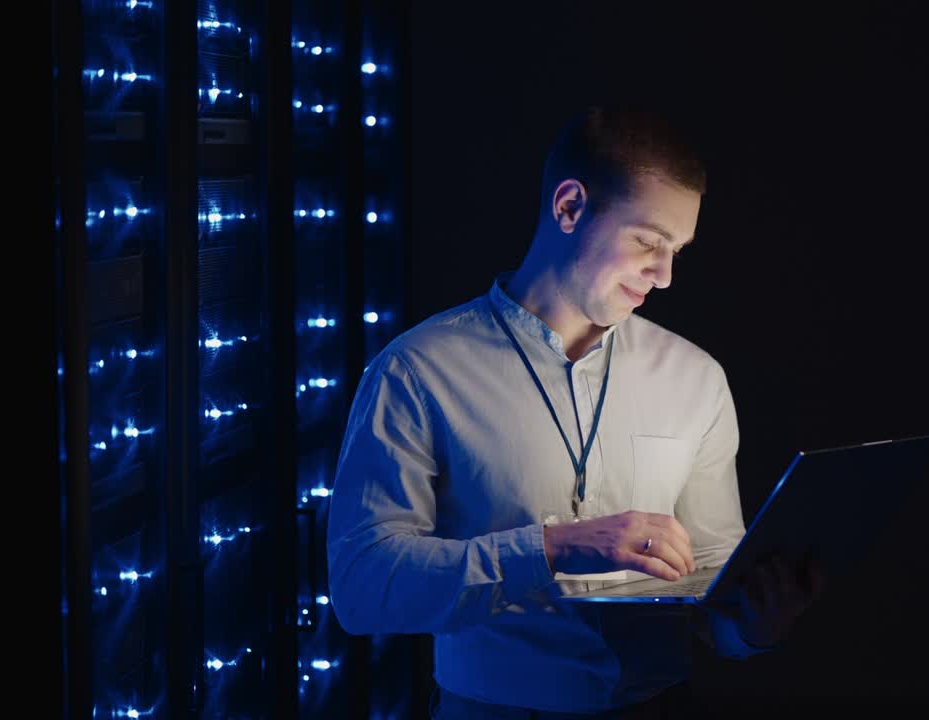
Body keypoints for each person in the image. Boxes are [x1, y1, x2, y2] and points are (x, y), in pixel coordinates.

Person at [326, 106, 823, 719]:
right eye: (648, 241)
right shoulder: (417, 371)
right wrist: (554, 548)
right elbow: (362, 588)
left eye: (678, 251)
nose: (665, 276)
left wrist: (755, 628)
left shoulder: (698, 379)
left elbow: (710, 600)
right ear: (568, 207)